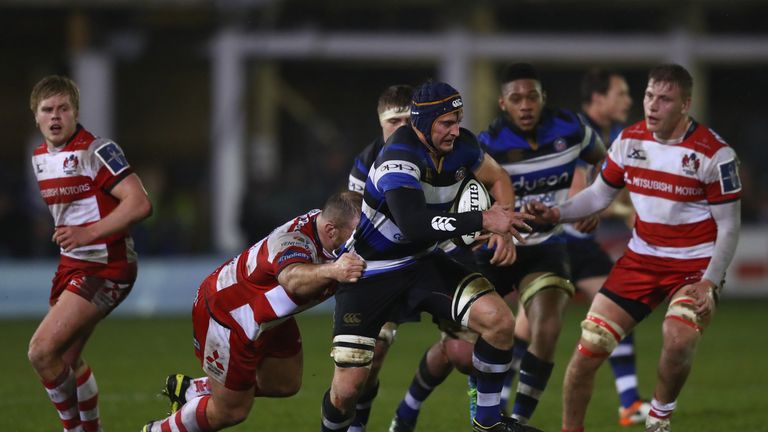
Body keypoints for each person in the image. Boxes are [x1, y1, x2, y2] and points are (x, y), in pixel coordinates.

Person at [526, 64, 742, 432]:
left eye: (665, 99)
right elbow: (598, 195)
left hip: (693, 267)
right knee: (585, 353)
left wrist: (710, 281)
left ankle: (658, 417)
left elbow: (729, 224)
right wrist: (555, 213)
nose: (652, 105)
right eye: (649, 96)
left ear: (685, 104)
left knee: (677, 338)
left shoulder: (714, 155)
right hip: (640, 261)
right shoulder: (629, 141)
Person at [320, 80, 541, 432]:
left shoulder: (465, 147)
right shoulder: (398, 155)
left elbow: (497, 177)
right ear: (422, 123)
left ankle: (487, 424)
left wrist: (505, 223)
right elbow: (414, 225)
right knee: (346, 390)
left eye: (458, 120)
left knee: (499, 322)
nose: (456, 130)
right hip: (371, 271)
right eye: (447, 123)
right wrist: (484, 218)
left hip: (423, 262)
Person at [142, 191, 366, 431]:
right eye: (356, 234)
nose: (362, 241)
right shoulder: (294, 240)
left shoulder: (328, 234)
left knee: (285, 382)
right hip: (227, 315)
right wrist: (334, 270)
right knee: (232, 411)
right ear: (331, 230)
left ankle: (192, 389)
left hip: (268, 317)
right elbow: (291, 279)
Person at [462, 63, 606, 426]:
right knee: (462, 345)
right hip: (495, 250)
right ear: (502, 103)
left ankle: (520, 421)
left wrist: (595, 200)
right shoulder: (487, 143)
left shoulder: (571, 128)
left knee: (547, 327)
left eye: (531, 97)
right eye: (516, 98)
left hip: (545, 245)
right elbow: (470, 196)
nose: (525, 105)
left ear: (543, 98)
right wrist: (497, 231)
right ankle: (464, 410)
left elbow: (604, 160)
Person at [27, 75, 153, 432]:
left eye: (63, 108)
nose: (55, 117)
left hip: (106, 266)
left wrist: (88, 233)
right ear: (35, 117)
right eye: (47, 110)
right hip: (73, 266)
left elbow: (140, 203)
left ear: (75, 112)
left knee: (40, 352)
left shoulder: (96, 150)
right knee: (66, 358)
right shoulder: (39, 158)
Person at [565, 68, 651, 426]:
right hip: (554, 239)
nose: (629, 101)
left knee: (615, 315)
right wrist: (625, 210)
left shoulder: (615, 135)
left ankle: (629, 403)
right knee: (529, 334)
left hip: (580, 241)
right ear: (598, 98)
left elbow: (619, 189)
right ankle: (496, 409)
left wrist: (635, 208)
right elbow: (577, 196)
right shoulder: (575, 134)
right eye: (622, 93)